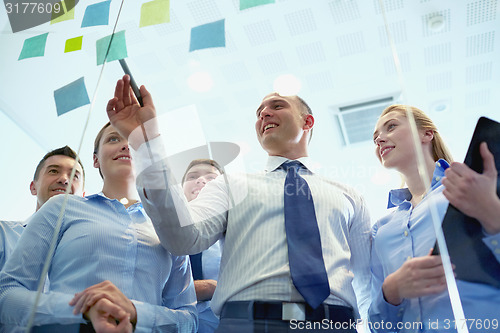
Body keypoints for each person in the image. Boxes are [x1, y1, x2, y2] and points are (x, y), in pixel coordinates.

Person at [101, 75, 372, 333]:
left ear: (307, 121)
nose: (264, 114)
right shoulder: (229, 184)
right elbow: (183, 238)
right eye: (259, 112)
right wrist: (145, 142)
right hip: (246, 323)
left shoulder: (349, 195)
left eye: (277, 106)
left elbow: (366, 278)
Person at [0, 122, 197, 333]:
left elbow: (190, 319)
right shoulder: (61, 207)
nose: (125, 146)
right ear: (95, 159)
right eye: (114, 139)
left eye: (135, 143)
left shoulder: (168, 226)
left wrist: (136, 313)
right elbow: (7, 293)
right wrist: (83, 311)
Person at [369, 104, 500, 332]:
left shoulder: (472, 187)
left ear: (427, 133)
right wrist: (391, 289)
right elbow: (378, 326)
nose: (379, 139)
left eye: (391, 127)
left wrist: (491, 213)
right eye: (375, 137)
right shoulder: (381, 229)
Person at [0, 145, 85, 271]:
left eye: (74, 176)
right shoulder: (3, 235)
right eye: (54, 171)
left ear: (83, 197)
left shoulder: (88, 254)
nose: (64, 180)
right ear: (33, 187)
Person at [182, 159, 224, 333]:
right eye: (192, 177)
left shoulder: (235, 234)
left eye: (211, 177)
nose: (201, 180)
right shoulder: (159, 231)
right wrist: (207, 288)